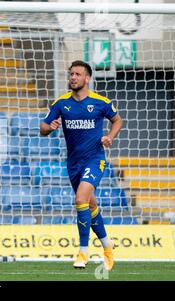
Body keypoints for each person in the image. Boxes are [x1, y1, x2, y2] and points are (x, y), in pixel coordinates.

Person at [40, 60, 123, 271]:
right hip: (74, 163)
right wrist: (50, 127)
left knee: (79, 199)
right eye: (71, 74)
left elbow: (117, 120)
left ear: (87, 78)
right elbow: (42, 128)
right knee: (90, 205)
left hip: (95, 159)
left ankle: (83, 251)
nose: (73, 77)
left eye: (77, 74)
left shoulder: (100, 102)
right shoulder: (61, 103)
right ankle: (107, 246)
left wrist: (110, 137)